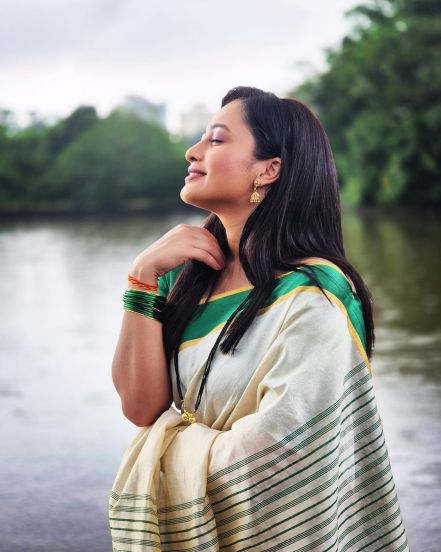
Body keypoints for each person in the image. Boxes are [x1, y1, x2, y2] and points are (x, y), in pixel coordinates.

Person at [109, 86, 410, 551]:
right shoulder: (184, 278)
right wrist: (141, 280)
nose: (193, 151)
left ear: (269, 170)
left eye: (216, 139)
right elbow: (142, 408)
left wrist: (173, 457)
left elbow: (285, 450)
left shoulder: (313, 294)